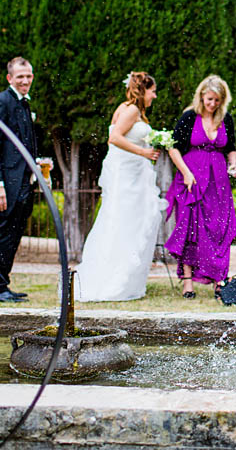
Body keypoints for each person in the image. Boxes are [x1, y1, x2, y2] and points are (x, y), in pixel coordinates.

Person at [74, 72, 165, 302]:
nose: (154, 95)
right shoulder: (132, 109)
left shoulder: (127, 108)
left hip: (130, 173)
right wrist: (144, 152)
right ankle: (113, 279)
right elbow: (114, 138)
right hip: (126, 176)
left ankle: (124, 277)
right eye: (152, 90)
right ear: (143, 90)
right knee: (123, 222)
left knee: (125, 222)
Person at [165, 75, 236, 299]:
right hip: (192, 180)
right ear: (201, 96)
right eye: (209, 99)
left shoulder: (226, 118)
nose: (213, 104)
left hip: (219, 183)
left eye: (217, 100)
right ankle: (188, 282)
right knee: (190, 227)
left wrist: (234, 165)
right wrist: (186, 173)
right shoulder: (190, 116)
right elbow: (173, 148)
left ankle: (219, 278)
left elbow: (232, 148)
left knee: (219, 227)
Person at [0, 57, 43, 303]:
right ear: (10, 78)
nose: (25, 81)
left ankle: (1, 284)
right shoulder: (1, 102)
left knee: (14, 235)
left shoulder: (25, 104)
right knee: (5, 234)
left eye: (28, 76)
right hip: (6, 185)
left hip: (24, 183)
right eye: (20, 77)